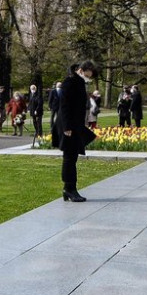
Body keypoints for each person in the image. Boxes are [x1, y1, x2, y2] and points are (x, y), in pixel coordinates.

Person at [54, 62, 97, 202]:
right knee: (69, 158)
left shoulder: (78, 82)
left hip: (74, 125)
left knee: (72, 157)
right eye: (88, 75)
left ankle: (69, 188)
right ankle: (69, 189)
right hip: (68, 126)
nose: (88, 78)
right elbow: (64, 105)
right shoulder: (70, 81)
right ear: (81, 70)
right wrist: (67, 127)